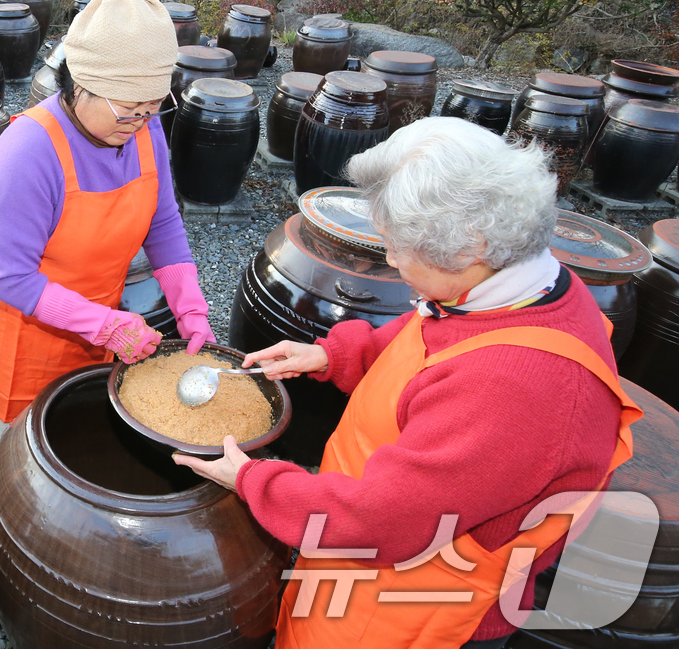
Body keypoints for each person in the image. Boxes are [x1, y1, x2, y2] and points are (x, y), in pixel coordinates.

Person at [174, 117, 643, 649]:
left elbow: (379, 521)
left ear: (469, 248)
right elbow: (428, 333)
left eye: (398, 248)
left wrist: (255, 481)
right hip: (351, 551)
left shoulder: (517, 390)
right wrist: (330, 354)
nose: (391, 260)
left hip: (412, 602)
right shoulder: (509, 285)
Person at [0, 0, 214, 454]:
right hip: (30, 334)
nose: (139, 121)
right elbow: (11, 278)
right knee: (21, 464)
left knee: (80, 446)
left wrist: (191, 309)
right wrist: (107, 326)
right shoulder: (28, 151)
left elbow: (161, 223)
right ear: (79, 83)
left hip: (101, 319)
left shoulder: (144, 127)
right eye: (127, 108)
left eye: (153, 105)